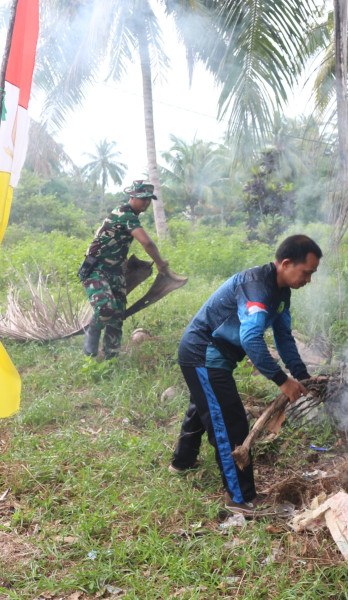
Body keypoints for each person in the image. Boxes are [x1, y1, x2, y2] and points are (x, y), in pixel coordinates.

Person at [170, 234, 321, 516]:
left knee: (205, 405)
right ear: (286, 264)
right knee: (230, 422)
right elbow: (251, 340)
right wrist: (282, 380)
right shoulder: (257, 288)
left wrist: (302, 375)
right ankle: (240, 500)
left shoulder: (281, 292)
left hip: (217, 355)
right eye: (307, 273)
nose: (308, 280)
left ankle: (182, 461)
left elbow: (284, 338)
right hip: (203, 353)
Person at [78, 180, 170, 358]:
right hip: (96, 269)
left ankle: (110, 358)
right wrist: (160, 263)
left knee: (117, 317)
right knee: (105, 309)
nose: (146, 202)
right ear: (132, 197)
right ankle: (91, 334)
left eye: (149, 199)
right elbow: (147, 242)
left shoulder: (131, 216)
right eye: (142, 198)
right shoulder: (124, 214)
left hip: (115, 272)